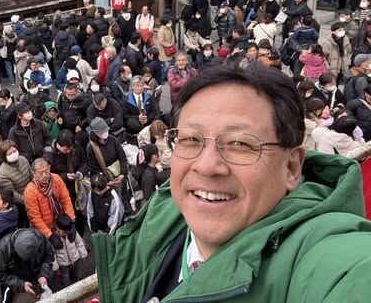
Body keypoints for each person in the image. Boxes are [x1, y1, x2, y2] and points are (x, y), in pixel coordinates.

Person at [95, 62, 371, 303]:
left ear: (291, 166)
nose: (206, 165)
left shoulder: (327, 262)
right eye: (190, 139)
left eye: (240, 143)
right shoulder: (163, 213)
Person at [23, 158, 76, 247]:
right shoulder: (30, 191)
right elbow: (34, 218)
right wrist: (49, 235)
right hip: (45, 228)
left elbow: (66, 200)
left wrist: (71, 221)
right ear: (34, 173)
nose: (44, 175)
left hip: (60, 222)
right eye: (40, 173)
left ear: (49, 168)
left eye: (46, 171)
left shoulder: (57, 179)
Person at [0, 228, 54, 301]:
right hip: (20, 283)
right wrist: (21, 285)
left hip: (41, 278)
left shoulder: (39, 237)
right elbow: (0, 275)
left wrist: (43, 275)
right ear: (15, 249)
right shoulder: (3, 250)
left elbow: (49, 256)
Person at [51, 214, 88, 288]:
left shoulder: (72, 232)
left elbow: (79, 243)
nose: (66, 233)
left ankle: (76, 286)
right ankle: (69, 290)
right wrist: (56, 268)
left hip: (75, 259)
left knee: (75, 275)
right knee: (66, 280)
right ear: (57, 227)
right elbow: (52, 255)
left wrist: (83, 254)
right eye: (64, 232)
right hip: (63, 265)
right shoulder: (53, 239)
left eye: (67, 231)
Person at [0, 140, 33, 206]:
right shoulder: (3, 173)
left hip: (33, 192)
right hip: (22, 201)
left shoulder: (23, 159)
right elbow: (12, 194)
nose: (13, 154)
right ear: (4, 156)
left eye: (14, 151)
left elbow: (32, 176)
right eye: (10, 153)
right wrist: (27, 201)